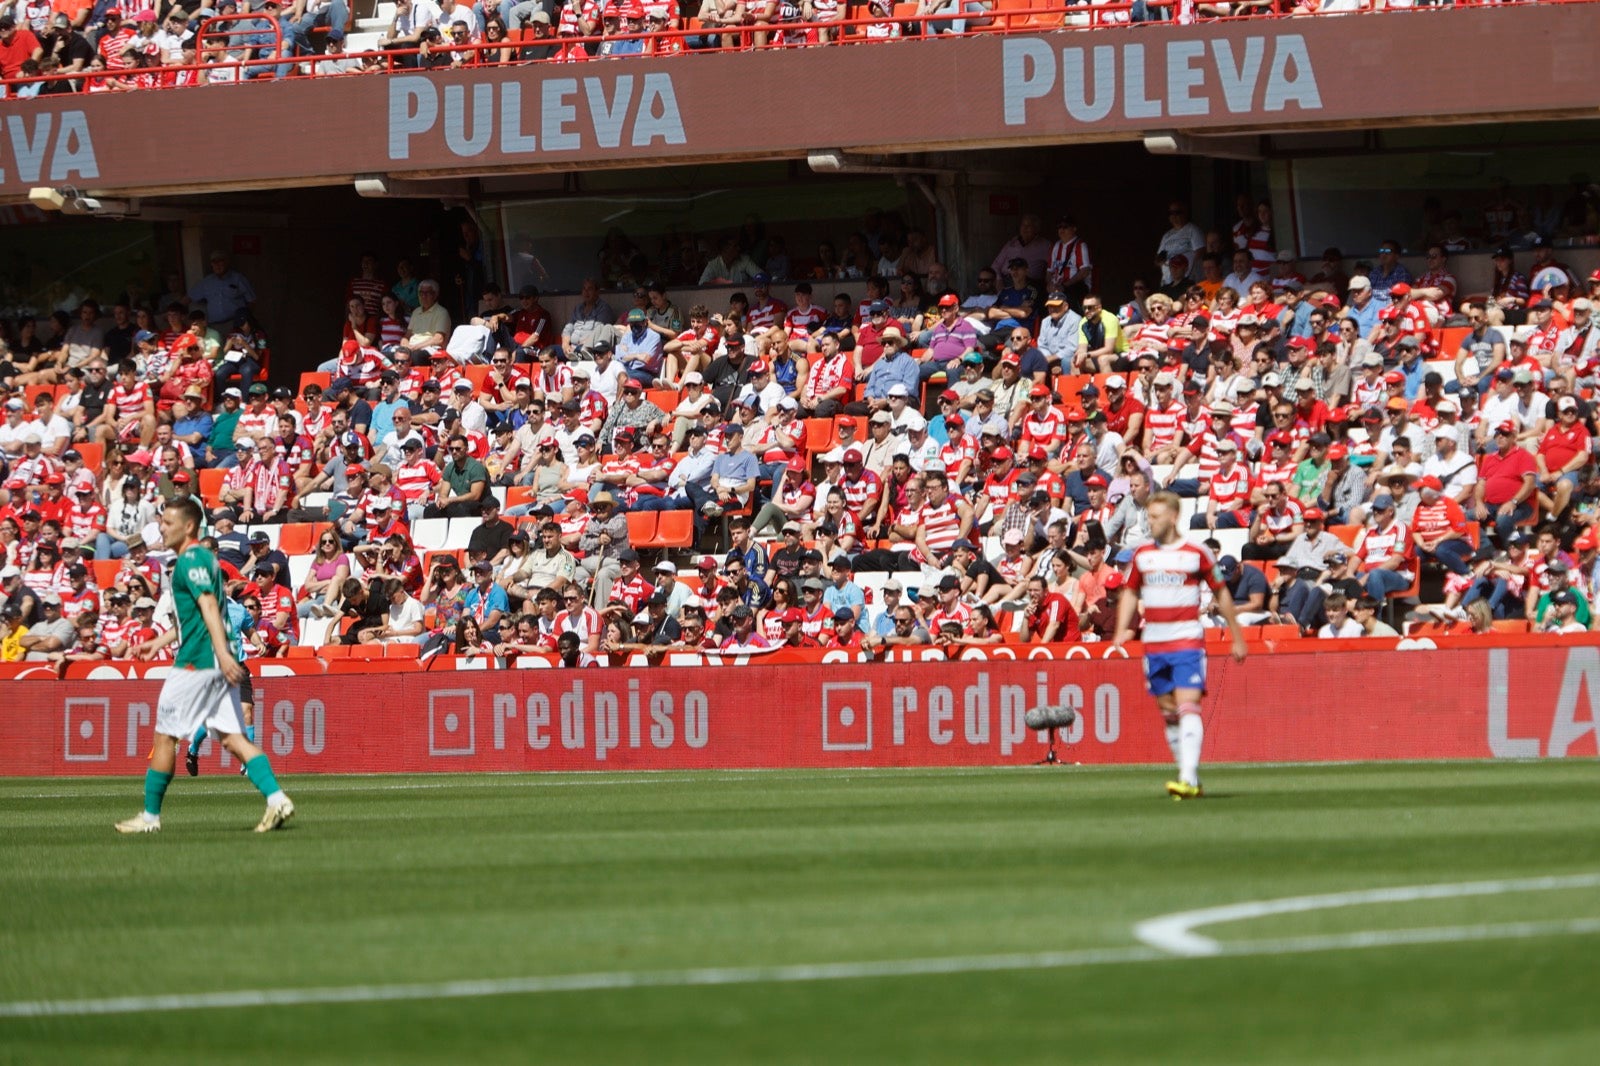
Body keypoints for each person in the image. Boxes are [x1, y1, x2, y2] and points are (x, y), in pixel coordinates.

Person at [113, 499, 294, 835]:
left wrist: (223, 654)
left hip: (197, 662)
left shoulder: (191, 559)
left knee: (166, 735)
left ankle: (150, 817)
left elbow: (210, 605)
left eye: (168, 522)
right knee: (231, 738)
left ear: (189, 527)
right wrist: (160, 641)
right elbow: (197, 614)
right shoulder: (205, 560)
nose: (162, 528)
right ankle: (276, 798)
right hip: (208, 657)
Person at [1112, 491, 1248, 801]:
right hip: (1154, 643)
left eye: (1156, 517)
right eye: (1148, 517)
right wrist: (1121, 629)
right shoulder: (1142, 555)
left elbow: (1221, 592)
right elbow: (1130, 593)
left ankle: (1186, 778)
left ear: (1173, 517)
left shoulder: (1196, 553)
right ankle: (1190, 776)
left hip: (1187, 639)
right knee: (1169, 711)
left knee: (1188, 706)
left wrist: (1236, 635)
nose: (1151, 523)